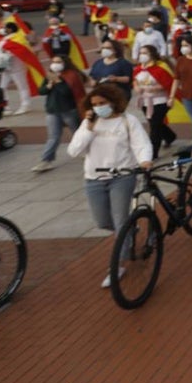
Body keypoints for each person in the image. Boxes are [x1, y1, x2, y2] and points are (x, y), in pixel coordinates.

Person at [66, 83, 152, 288]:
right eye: (94, 104)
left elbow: (141, 143)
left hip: (122, 176)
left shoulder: (127, 121)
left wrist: (145, 160)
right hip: (93, 178)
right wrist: (88, 128)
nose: (98, 107)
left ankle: (118, 265)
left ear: (113, 102)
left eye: (102, 103)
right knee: (102, 222)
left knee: (120, 220)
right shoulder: (89, 124)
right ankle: (129, 231)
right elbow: (74, 151)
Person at [32, 54, 87, 173]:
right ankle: (46, 160)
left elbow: (67, 92)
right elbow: (41, 91)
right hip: (52, 111)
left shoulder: (71, 75)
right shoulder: (50, 75)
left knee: (77, 132)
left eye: (58, 62)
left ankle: (85, 150)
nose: (55, 64)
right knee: (53, 136)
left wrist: (57, 81)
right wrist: (48, 86)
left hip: (69, 110)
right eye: (53, 61)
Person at [133, 44, 177, 160]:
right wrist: (137, 87)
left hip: (160, 101)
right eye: (141, 53)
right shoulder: (138, 68)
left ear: (152, 55)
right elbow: (135, 80)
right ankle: (170, 136)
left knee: (154, 127)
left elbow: (169, 83)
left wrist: (155, 88)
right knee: (155, 123)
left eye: (145, 53)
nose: (142, 55)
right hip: (145, 101)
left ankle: (153, 152)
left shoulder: (161, 68)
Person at [0, 22, 32, 116]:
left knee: (22, 86)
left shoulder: (18, 39)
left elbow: (16, 51)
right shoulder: (4, 39)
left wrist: (2, 54)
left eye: (4, 28)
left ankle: (25, 105)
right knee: (2, 87)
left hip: (17, 67)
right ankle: (6, 107)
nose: (2, 29)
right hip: (5, 68)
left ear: (10, 29)